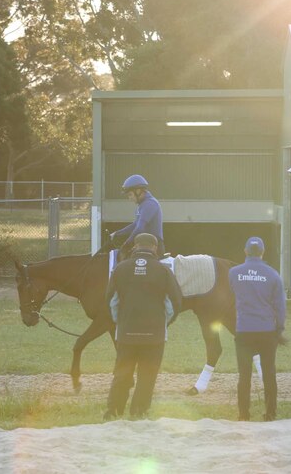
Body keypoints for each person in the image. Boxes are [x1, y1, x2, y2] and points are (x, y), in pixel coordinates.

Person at [104, 233, 182, 420]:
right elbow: (175, 302)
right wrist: (164, 322)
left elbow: (111, 301)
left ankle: (114, 412)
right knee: (147, 376)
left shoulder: (120, 269)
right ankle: (139, 412)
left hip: (126, 333)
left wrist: (120, 322)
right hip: (154, 335)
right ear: (154, 248)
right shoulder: (163, 271)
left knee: (122, 373)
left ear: (135, 246)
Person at [229, 237, 287, 422]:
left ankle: (243, 414)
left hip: (244, 329)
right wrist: (279, 329)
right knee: (269, 372)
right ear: (262, 252)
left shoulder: (234, 273)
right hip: (267, 330)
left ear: (245, 251)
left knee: (244, 375)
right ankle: (270, 414)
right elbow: (280, 307)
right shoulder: (273, 274)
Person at [110, 174, 165, 256]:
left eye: (130, 195)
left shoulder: (150, 204)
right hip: (145, 245)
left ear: (138, 191)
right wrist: (117, 233)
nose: (129, 198)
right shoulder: (142, 205)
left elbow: (140, 228)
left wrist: (126, 244)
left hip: (153, 248)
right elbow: (135, 225)